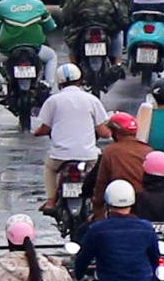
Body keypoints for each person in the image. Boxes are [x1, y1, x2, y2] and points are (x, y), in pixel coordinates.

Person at [32, 63, 110, 204]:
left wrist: (36, 132)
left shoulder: (53, 101)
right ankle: (99, 201)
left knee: (49, 169)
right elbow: (104, 132)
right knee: (101, 172)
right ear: (80, 80)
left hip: (60, 156)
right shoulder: (91, 100)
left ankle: (50, 201)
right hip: (88, 155)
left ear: (59, 82)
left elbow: (44, 128)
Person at [0, 0, 57, 96]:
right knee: (51, 57)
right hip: (36, 48)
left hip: (8, 50)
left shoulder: (2, 5)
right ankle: (48, 87)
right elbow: (50, 26)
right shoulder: (38, 4)